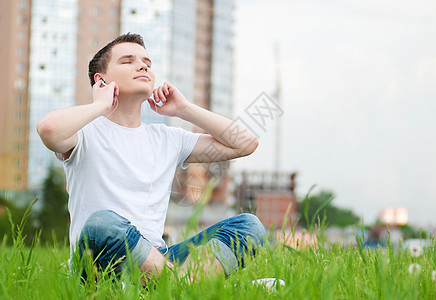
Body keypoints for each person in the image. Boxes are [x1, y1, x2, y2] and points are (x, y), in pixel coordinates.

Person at [37, 33, 266, 283]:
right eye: (128, 61)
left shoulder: (167, 138)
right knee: (102, 223)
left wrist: (185, 110)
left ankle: (173, 285)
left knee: (249, 227)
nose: (143, 65)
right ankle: (184, 286)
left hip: (158, 258)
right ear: (101, 80)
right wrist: (101, 105)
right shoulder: (84, 132)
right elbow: (49, 129)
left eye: (147, 61)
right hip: (98, 265)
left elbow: (245, 143)